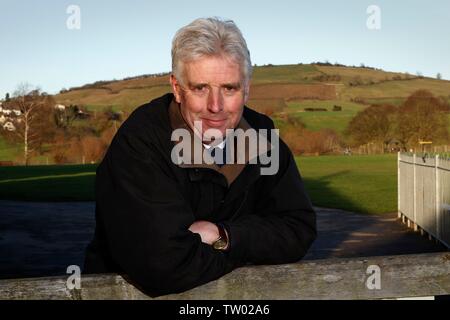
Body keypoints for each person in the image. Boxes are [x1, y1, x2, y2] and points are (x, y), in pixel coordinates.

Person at [83, 17, 316, 297]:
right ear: (177, 88)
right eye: (200, 88)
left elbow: (298, 230)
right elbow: (162, 264)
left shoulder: (262, 136)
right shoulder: (140, 142)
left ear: (247, 88)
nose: (215, 107)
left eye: (229, 88)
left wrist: (224, 235)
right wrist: (254, 245)